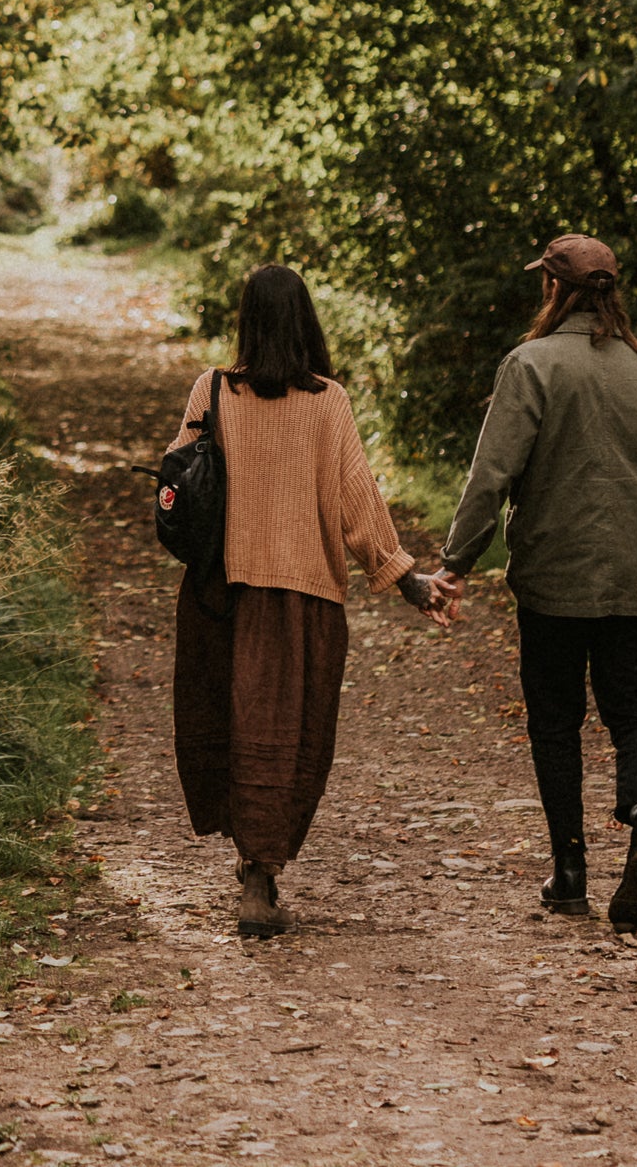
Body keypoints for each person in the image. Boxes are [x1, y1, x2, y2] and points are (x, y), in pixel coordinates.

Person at [169, 263, 457, 940]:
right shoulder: (327, 399)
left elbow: (177, 482)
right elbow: (358, 500)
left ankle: (254, 868)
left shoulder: (212, 390)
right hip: (301, 599)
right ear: (305, 321)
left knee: (235, 727)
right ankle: (260, 878)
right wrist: (407, 579)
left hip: (220, 595)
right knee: (285, 741)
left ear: (247, 320)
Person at [435, 233, 637, 931]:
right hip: (632, 573)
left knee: (556, 721)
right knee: (636, 712)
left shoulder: (530, 363)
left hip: (553, 578)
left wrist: (455, 562)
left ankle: (570, 874)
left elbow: (492, 474)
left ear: (552, 289)